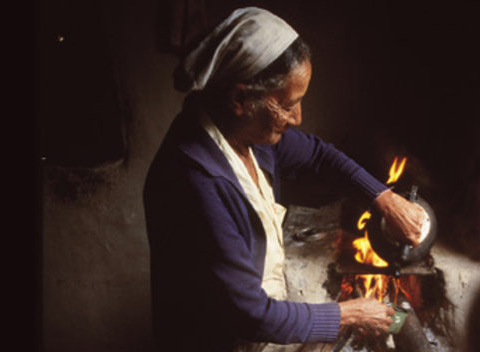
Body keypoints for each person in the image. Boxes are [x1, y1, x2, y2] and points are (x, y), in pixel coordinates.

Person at [143, 7, 430, 352]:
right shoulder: (196, 180)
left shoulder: (245, 134)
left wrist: (384, 199)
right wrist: (347, 315)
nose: (298, 118)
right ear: (240, 98)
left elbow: (321, 156)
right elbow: (250, 314)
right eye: (289, 104)